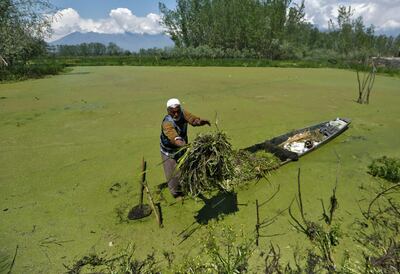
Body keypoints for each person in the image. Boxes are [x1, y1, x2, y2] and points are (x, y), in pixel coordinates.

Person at [160, 98, 210, 198]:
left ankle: (189, 185)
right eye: (173, 112)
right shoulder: (167, 123)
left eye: (177, 111)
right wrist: (185, 146)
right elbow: (174, 137)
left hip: (183, 148)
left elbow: (192, 119)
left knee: (186, 167)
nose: (176, 114)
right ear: (168, 111)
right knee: (173, 174)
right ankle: (177, 193)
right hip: (169, 151)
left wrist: (200, 122)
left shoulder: (183, 113)